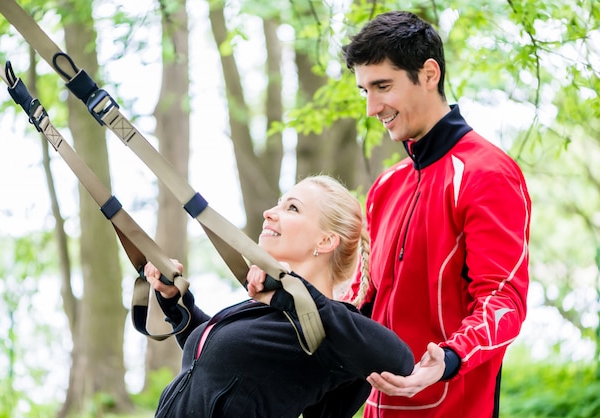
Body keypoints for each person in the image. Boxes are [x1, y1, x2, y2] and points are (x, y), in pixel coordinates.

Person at [341, 10, 532, 418]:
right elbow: (358, 302)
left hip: (453, 406)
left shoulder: (488, 174)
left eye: (383, 86)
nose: (372, 107)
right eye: (364, 91)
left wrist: (446, 359)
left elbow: (504, 301)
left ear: (429, 74)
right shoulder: (385, 187)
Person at [144, 174, 415, 417]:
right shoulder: (270, 307)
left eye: (292, 208)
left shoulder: (327, 327)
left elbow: (399, 361)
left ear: (325, 241)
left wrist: (296, 295)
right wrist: (176, 301)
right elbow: (216, 363)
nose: (269, 213)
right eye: (278, 204)